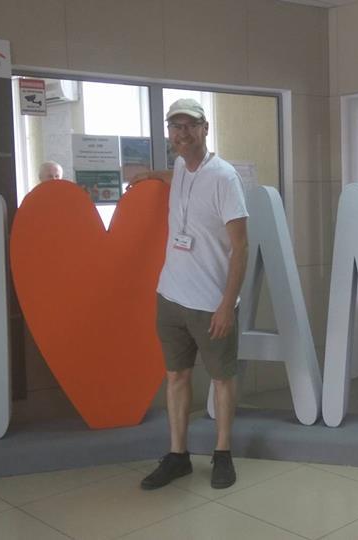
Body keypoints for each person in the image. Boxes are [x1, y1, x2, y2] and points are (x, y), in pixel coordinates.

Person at [133, 98, 248, 490]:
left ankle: (223, 454)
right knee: (176, 376)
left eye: (189, 126)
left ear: (205, 129)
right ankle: (178, 455)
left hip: (211, 303)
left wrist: (227, 305)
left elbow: (241, 247)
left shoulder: (225, 178)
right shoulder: (182, 167)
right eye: (175, 127)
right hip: (170, 296)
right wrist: (151, 175)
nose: (181, 134)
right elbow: (177, 174)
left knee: (222, 379)